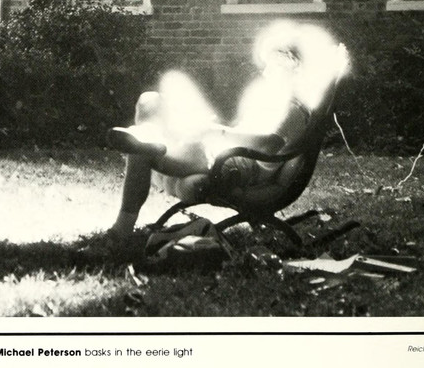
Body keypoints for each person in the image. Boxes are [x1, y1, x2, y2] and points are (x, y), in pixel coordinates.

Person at [106, 20, 349, 240]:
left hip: (234, 164)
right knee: (150, 101)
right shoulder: (275, 101)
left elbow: (270, 144)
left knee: (142, 148)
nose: (265, 72)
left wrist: (217, 132)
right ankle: (149, 139)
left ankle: (122, 227)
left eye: (272, 64)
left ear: (292, 65)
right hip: (221, 150)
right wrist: (212, 130)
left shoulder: (292, 108)